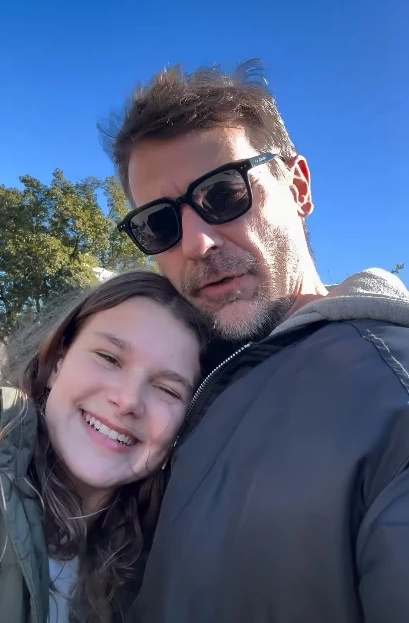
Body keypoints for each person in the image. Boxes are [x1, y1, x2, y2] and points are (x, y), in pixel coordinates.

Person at [108, 60, 409, 623]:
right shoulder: (170, 387)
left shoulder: (390, 391)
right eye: (159, 224)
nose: (195, 243)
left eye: (223, 194)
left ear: (298, 187)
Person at [0, 270, 203, 623]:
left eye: (167, 389)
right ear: (57, 363)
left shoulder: (153, 579)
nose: (128, 400)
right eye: (109, 358)